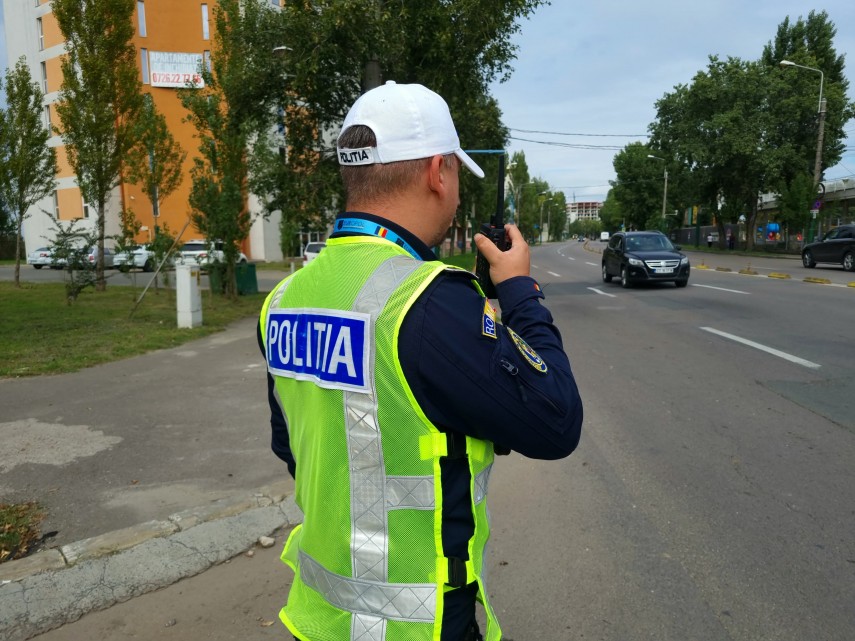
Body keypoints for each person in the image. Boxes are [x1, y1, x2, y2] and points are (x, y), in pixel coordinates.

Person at [258, 81, 583, 641]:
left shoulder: (285, 299)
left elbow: (294, 445)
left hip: (317, 619)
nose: (454, 192)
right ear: (438, 172)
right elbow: (556, 420)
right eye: (455, 175)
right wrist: (521, 293)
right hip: (420, 626)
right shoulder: (427, 304)